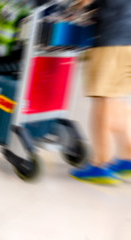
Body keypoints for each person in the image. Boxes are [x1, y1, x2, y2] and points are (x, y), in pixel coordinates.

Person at [70, 0, 131, 184]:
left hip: (110, 39)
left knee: (102, 98)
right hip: (127, 38)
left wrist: (74, 6)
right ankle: (128, 157)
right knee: (114, 97)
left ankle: (100, 163)